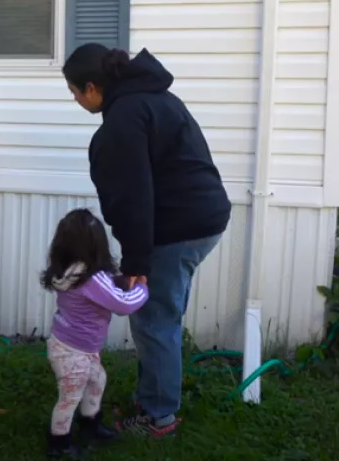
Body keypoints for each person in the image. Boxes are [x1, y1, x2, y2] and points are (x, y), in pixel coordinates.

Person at [62, 43, 232, 437]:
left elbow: (134, 198)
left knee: (154, 321)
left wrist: (137, 263)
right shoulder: (155, 98)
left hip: (179, 227)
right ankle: (154, 397)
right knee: (163, 317)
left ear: (91, 87)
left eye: (73, 92)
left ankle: (158, 418)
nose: (74, 100)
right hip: (202, 219)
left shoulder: (125, 118)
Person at [41, 208, 149, 458]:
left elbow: (107, 286)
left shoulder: (67, 270)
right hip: (75, 352)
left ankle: (90, 425)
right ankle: (59, 443)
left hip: (68, 345)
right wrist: (142, 288)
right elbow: (124, 304)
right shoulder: (91, 279)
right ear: (98, 245)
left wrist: (121, 280)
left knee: (97, 380)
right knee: (69, 397)